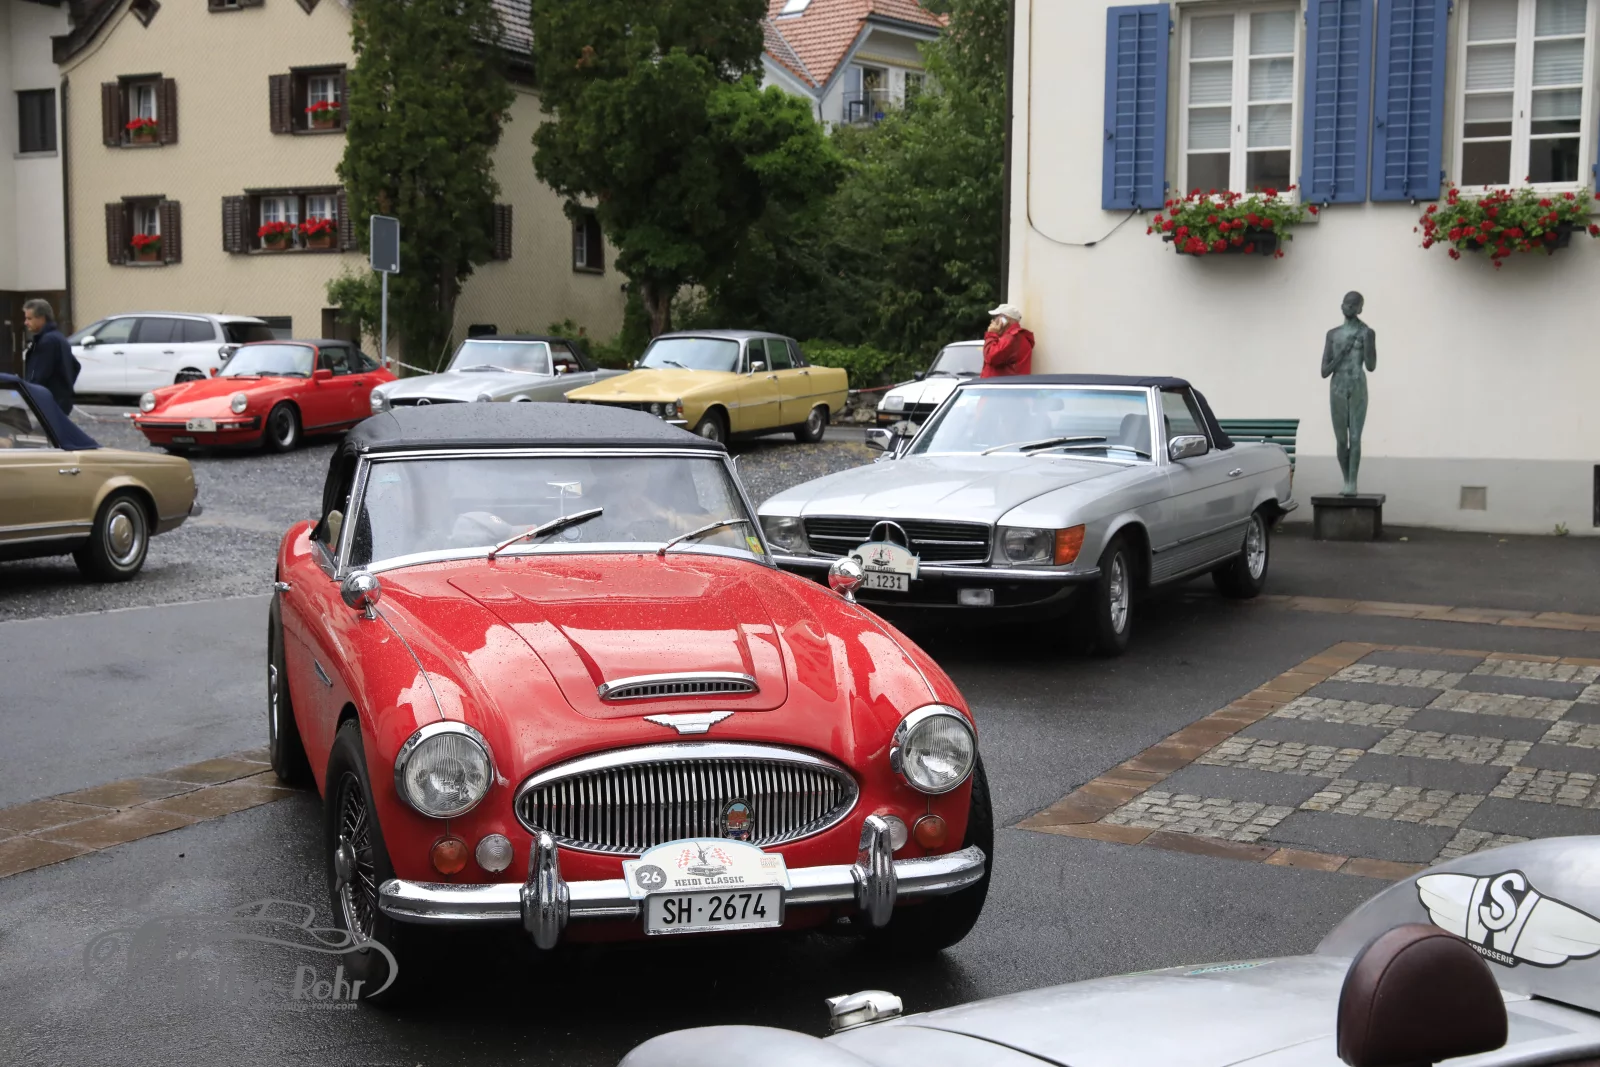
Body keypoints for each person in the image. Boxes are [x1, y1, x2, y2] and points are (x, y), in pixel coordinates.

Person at [21, 299, 79, 415]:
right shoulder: (59, 337)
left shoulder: (47, 342)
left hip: (49, 402)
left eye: (29, 318)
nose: (26, 322)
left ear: (42, 318)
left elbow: (37, 376)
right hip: (62, 401)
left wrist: (29, 394)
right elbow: (75, 366)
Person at [981, 303, 1034, 378]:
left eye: (996, 317)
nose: (993, 321)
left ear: (1006, 319)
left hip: (1002, 384)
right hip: (1004, 383)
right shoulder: (1013, 336)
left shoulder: (1012, 337)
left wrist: (991, 334)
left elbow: (991, 357)